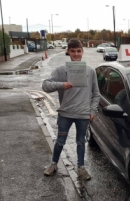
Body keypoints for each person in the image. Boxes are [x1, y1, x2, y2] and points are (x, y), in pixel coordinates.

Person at [42, 38, 100, 180]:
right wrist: (62, 85)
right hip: (65, 114)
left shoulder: (90, 71)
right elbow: (45, 85)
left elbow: (96, 94)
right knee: (60, 141)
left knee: (81, 142)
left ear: (82, 51)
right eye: (73, 51)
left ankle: (81, 168)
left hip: (83, 114)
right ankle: (53, 164)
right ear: (68, 51)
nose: (76, 54)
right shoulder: (61, 70)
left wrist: (92, 111)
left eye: (78, 51)